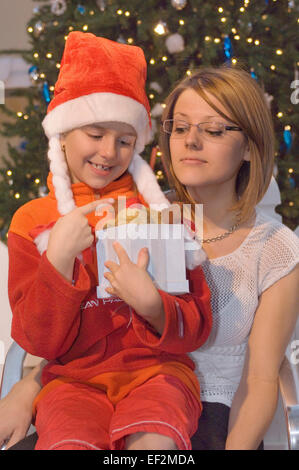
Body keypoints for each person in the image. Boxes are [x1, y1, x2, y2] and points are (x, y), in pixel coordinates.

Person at [1, 64, 298, 450]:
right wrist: (30, 384)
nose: (191, 141)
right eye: (179, 127)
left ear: (249, 146)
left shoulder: (275, 249)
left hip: (216, 416)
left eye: (212, 130)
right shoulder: (140, 214)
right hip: (95, 399)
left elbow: (260, 380)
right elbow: (97, 328)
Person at [1, 32, 212, 451]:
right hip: (71, 385)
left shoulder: (162, 215)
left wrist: (153, 305)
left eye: (124, 140)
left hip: (160, 376)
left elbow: (197, 327)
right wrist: (58, 259)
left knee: (155, 441)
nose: (108, 152)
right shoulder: (33, 222)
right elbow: (37, 342)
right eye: (95, 133)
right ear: (62, 133)